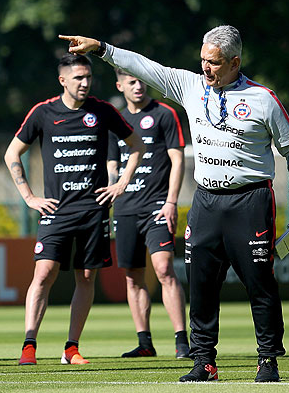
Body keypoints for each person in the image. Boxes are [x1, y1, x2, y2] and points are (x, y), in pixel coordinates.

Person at [61, 25, 289, 383]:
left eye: (212, 63)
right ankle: (204, 362)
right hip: (206, 201)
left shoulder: (264, 99)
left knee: (260, 283)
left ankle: (268, 360)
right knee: (201, 285)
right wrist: (102, 49)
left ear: (234, 62)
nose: (205, 68)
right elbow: (146, 68)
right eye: (202, 60)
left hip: (251, 200)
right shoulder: (192, 85)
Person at [4, 54, 145, 366]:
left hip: (93, 211)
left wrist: (121, 184)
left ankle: (71, 347)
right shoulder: (43, 112)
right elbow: (12, 153)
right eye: (78, 77)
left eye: (88, 77)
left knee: (86, 276)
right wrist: (29, 197)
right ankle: (29, 345)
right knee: (43, 273)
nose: (84, 83)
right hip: (56, 210)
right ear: (63, 80)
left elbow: (137, 146)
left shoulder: (103, 111)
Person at [107, 67, 190, 359]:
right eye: (131, 82)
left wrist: (171, 201)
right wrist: (111, 190)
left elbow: (177, 160)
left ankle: (182, 341)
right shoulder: (115, 120)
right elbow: (112, 163)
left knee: (165, 269)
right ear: (120, 86)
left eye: (141, 80)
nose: (138, 86)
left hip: (157, 206)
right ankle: (145, 343)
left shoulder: (164, 114)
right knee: (132, 276)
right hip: (126, 208)